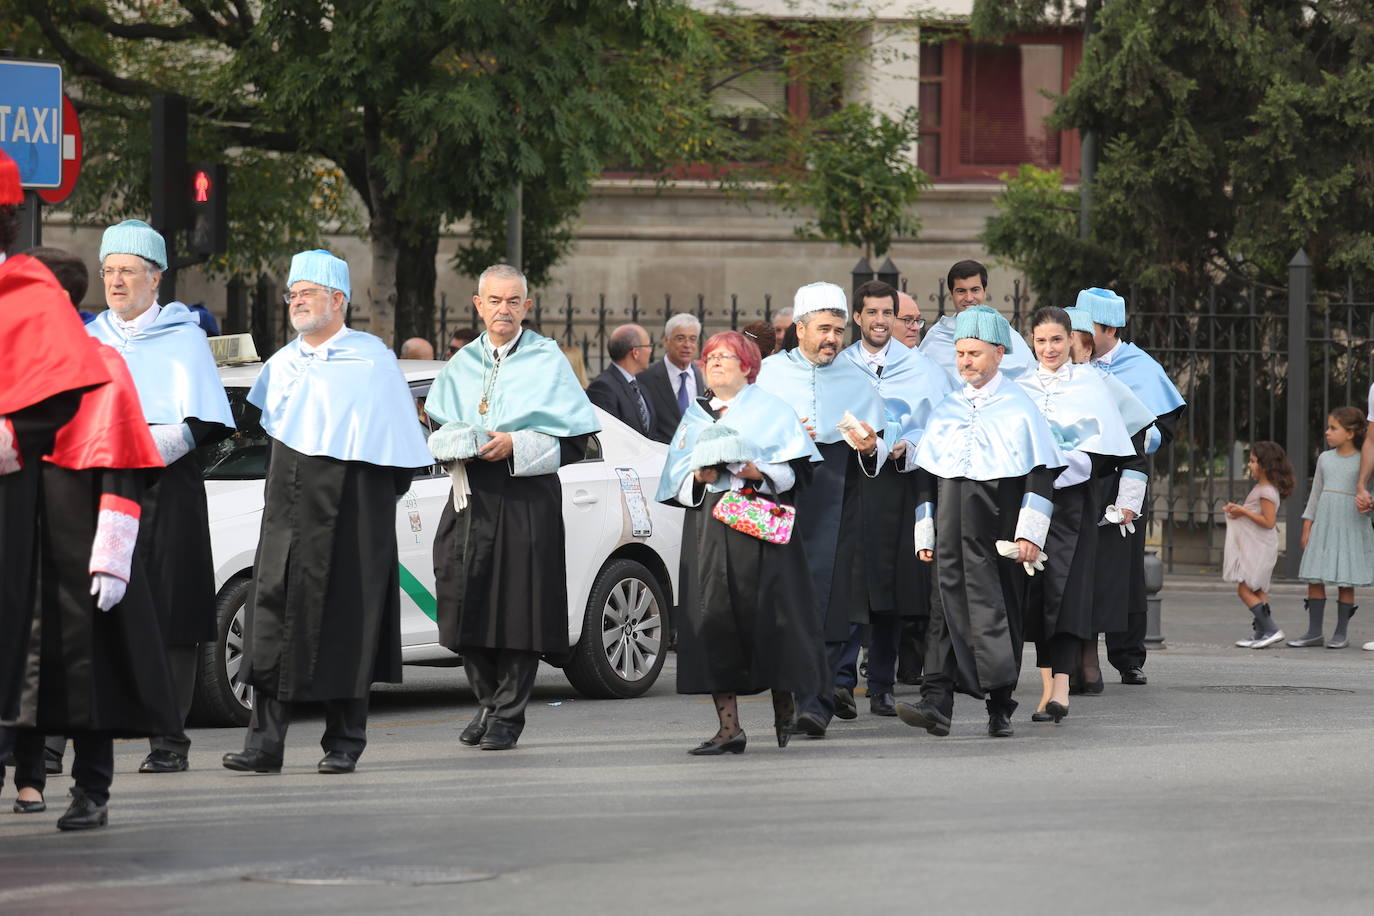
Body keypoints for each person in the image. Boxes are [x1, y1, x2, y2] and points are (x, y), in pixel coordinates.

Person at [221, 250, 431, 775]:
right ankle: (264, 745)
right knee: (272, 622)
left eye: (307, 292)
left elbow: (399, 459)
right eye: (292, 293)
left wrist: (362, 505)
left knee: (346, 624)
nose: (296, 301)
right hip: (287, 521)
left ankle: (343, 742)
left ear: (338, 300)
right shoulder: (282, 364)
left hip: (352, 517)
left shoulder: (372, 361)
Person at [426, 264, 599, 750]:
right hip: (470, 497)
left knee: (520, 609)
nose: (503, 309)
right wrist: (451, 443)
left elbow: (579, 443)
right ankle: (487, 698)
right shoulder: (461, 364)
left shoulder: (548, 360)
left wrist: (517, 444)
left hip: (526, 498)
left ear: (527, 306)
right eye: (494, 301)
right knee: (463, 602)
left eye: (513, 301)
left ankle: (507, 716)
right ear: (478, 305)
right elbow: (436, 425)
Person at [86, 219, 235, 774]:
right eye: (109, 271)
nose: (116, 282)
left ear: (155, 279)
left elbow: (202, 421)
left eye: (127, 271)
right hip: (98, 486)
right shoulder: (90, 338)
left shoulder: (185, 336)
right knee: (87, 608)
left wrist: (138, 450)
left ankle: (169, 739)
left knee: (170, 610)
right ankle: (60, 739)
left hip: (165, 488)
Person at [897, 305, 1064, 739]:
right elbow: (926, 478)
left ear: (998, 353)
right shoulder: (947, 407)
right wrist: (925, 530)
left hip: (1000, 539)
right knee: (942, 615)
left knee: (999, 617)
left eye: (974, 353)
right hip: (950, 536)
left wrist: (1029, 534)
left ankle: (999, 706)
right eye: (960, 354)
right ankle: (937, 704)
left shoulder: (1019, 408)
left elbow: (1040, 475)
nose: (965, 361)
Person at [657, 331, 825, 754]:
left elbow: (797, 474)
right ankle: (729, 728)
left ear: (748, 366)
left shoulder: (771, 410)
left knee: (770, 619)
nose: (713, 363)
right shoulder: (696, 416)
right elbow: (673, 480)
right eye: (709, 357)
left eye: (724, 357)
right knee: (713, 623)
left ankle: (783, 702)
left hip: (759, 529)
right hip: (710, 532)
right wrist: (698, 477)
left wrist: (754, 470)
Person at [755, 282, 889, 738]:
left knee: (831, 600)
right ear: (800, 328)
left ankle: (817, 701)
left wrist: (872, 446)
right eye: (824, 329)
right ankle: (790, 698)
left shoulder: (856, 377)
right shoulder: (769, 374)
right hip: (779, 498)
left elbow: (877, 442)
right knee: (784, 600)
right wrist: (786, 437)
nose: (833, 338)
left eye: (837, 329)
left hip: (836, 496)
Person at [1016, 307, 1138, 722]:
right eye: (1041, 340)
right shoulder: (1020, 385)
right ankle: (1046, 686)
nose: (1048, 348)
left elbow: (1107, 450)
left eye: (1056, 339)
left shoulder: (1091, 384)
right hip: (1030, 500)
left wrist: (1069, 462)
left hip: (1073, 500)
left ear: (1071, 340)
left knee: (1066, 591)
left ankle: (1062, 689)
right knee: (1036, 594)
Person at [841, 280, 950, 716]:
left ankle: (882, 686)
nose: (881, 321)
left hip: (900, 486)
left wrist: (910, 445)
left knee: (892, 588)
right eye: (872, 313)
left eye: (889, 313)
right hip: (852, 486)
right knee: (850, 587)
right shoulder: (841, 364)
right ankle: (841, 682)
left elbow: (940, 424)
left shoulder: (921, 368)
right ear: (858, 318)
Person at [1081, 287, 1187, 686]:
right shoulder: (1076, 365)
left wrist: (1136, 436)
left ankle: (1128, 656)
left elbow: (1165, 425)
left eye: (1085, 326)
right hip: (1082, 478)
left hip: (1124, 479)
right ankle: (1080, 645)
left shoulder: (1140, 367)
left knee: (1125, 568)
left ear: (1108, 327)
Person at [1063, 305, 1156, 694]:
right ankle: (1061, 667)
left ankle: (1091, 661)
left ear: (1088, 348)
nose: (1063, 352)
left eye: (1073, 345)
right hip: (1050, 498)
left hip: (1099, 495)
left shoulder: (1109, 387)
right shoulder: (1036, 385)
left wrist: (1127, 501)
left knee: (1094, 581)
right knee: (1060, 584)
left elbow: (1139, 445)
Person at [1289, 409, 1374, 648]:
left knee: (1345, 579)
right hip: (1324, 524)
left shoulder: (1365, 459)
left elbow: (1369, 495)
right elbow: (1315, 495)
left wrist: (1369, 504)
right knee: (1315, 576)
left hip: (1351, 525)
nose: (1327, 432)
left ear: (1350, 433)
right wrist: (1307, 526)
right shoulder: (1325, 458)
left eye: (1333, 428)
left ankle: (1341, 632)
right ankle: (1314, 632)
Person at [1220, 441, 1294, 649]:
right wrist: (1239, 510)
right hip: (1257, 546)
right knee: (1258, 589)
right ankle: (1261, 632)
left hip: (1259, 548)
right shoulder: (1262, 488)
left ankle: (1271, 629)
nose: (1249, 465)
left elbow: (1269, 522)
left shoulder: (1266, 491)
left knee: (1244, 590)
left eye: (1253, 461)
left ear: (1266, 464)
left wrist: (1242, 511)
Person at [919, 260, 1033, 384]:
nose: (969, 298)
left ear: (984, 291)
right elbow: (923, 381)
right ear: (952, 294)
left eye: (975, 290)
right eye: (961, 291)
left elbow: (1027, 379)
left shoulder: (1004, 333)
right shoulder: (937, 337)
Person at [638, 313, 705, 444]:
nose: (687, 345)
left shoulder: (701, 375)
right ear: (666, 341)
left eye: (692, 339)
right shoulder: (646, 377)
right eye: (680, 338)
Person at [586, 324, 656, 436]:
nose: (651, 350)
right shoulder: (603, 387)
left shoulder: (640, 386)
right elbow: (607, 436)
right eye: (648, 346)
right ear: (635, 352)